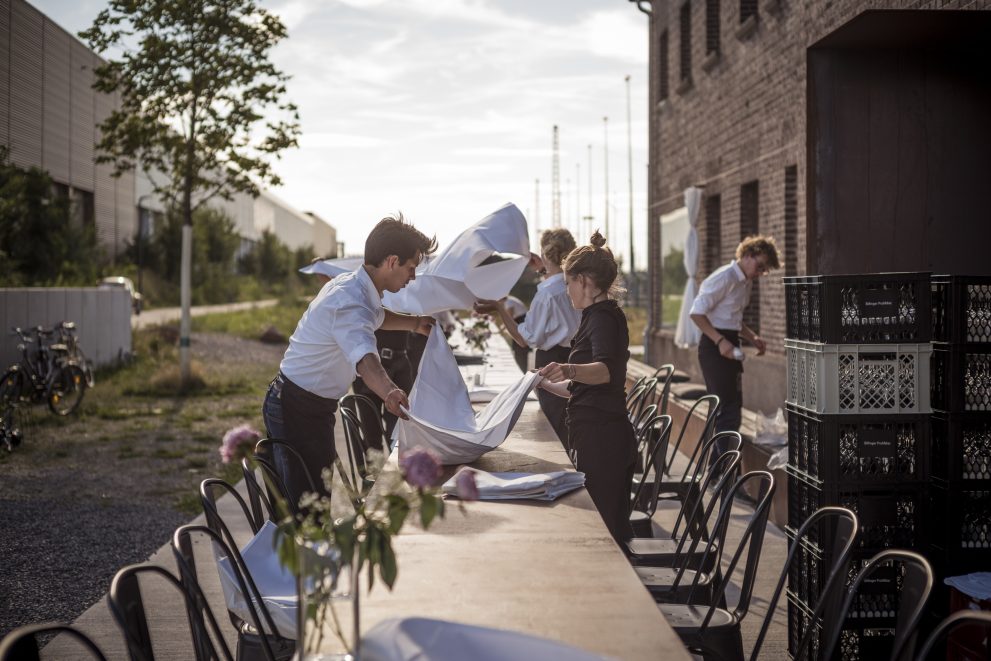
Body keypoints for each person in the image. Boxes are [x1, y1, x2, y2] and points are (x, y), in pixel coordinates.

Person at [262, 214, 437, 507]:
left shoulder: (357, 289)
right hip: (296, 407)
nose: (413, 277)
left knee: (316, 500)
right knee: (305, 508)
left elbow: (377, 318)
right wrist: (390, 391)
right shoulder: (350, 300)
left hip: (309, 403)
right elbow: (365, 360)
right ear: (392, 261)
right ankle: (292, 553)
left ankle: (303, 550)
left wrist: (415, 323)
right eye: (411, 268)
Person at [537, 231, 636, 544]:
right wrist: (539, 382)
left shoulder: (605, 318)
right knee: (605, 531)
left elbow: (605, 372)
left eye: (567, 283)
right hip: (596, 435)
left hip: (605, 440)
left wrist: (567, 368)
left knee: (607, 535)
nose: (566, 291)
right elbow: (582, 390)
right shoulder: (595, 316)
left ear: (583, 280)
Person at [477, 229, 581, 446]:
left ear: (544, 254)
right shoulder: (575, 285)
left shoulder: (546, 294)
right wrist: (544, 267)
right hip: (578, 360)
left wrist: (500, 308)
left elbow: (524, 339)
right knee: (569, 427)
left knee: (553, 430)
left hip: (553, 364)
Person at [689, 234, 780, 446]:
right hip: (714, 346)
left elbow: (733, 319)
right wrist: (720, 341)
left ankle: (717, 469)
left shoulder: (744, 282)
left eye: (764, 270)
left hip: (729, 340)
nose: (760, 273)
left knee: (731, 406)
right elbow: (696, 313)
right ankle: (721, 471)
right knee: (726, 409)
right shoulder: (725, 278)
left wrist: (752, 337)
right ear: (748, 255)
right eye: (760, 266)